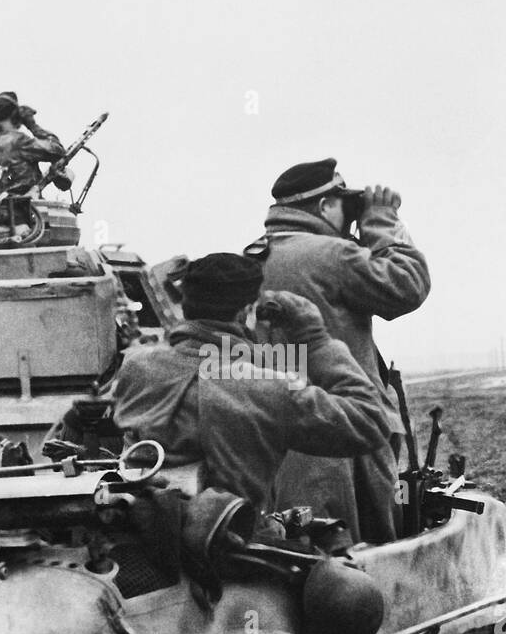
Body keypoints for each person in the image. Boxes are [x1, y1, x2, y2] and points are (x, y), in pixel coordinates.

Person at [113, 252, 388, 520]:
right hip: (228, 547)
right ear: (247, 312)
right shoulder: (265, 386)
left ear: (186, 306)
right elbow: (370, 423)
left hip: (147, 536)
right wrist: (315, 340)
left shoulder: (137, 368)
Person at [244, 158, 431, 542]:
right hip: (344, 430)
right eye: (343, 204)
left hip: (272, 432)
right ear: (324, 206)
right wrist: (381, 222)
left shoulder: (250, 259)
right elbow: (406, 287)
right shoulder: (330, 254)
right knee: (362, 548)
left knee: (295, 541)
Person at [0, 91, 67, 195]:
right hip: (25, 206)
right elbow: (58, 151)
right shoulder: (18, 141)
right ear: (15, 115)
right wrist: (32, 125)